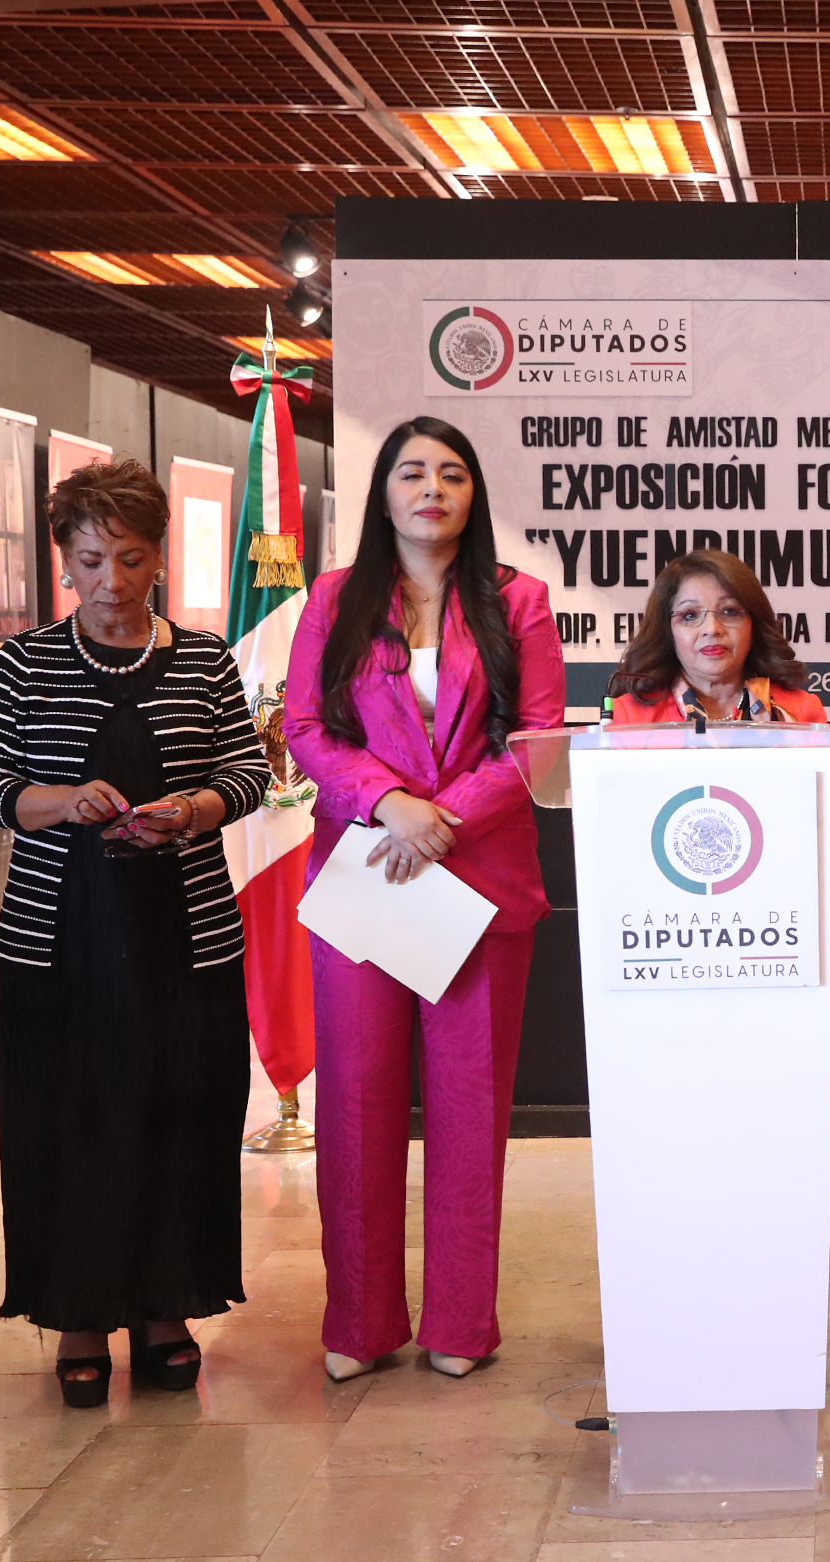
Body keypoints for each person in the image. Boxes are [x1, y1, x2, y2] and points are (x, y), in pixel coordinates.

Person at [0, 459, 271, 1407]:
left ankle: (169, 1307)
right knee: (69, 1121)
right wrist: (58, 800)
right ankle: (80, 1315)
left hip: (186, 937)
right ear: (65, 560)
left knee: (183, 1110)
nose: (111, 581)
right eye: (92, 561)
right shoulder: (26, 662)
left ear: (159, 558)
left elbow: (248, 773)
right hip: (59, 942)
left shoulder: (205, 659)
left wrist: (194, 809)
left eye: (131, 559)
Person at [285, 416, 565, 1381]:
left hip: (479, 882)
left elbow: (536, 738)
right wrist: (389, 804)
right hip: (367, 876)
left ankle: (460, 1322)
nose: (432, 489)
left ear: (474, 494)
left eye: (451, 473)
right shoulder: (335, 598)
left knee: (469, 1109)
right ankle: (359, 1322)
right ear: (384, 493)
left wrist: (443, 817)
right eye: (411, 473)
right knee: (356, 1103)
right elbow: (306, 728)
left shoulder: (519, 600)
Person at [607, 548, 829, 725]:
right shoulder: (629, 717)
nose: (712, 629)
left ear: (753, 625)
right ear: (667, 630)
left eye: (729, 611)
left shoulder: (799, 712)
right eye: (690, 615)